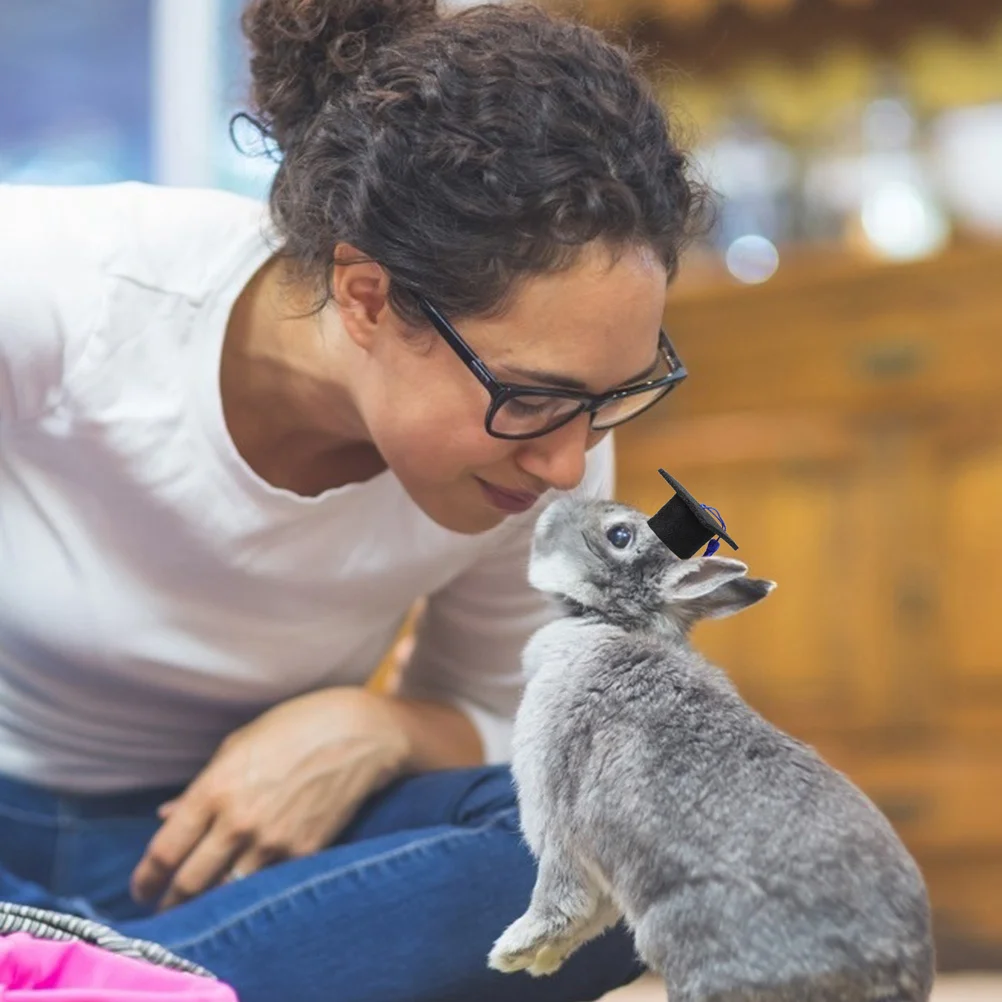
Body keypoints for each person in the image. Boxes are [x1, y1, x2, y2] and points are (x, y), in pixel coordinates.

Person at [0, 1, 705, 999]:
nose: (567, 461)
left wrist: (374, 729)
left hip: (227, 856)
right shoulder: (60, 289)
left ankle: (77, 978)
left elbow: (510, 711)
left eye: (612, 399)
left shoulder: (554, 444)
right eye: (534, 397)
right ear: (368, 298)